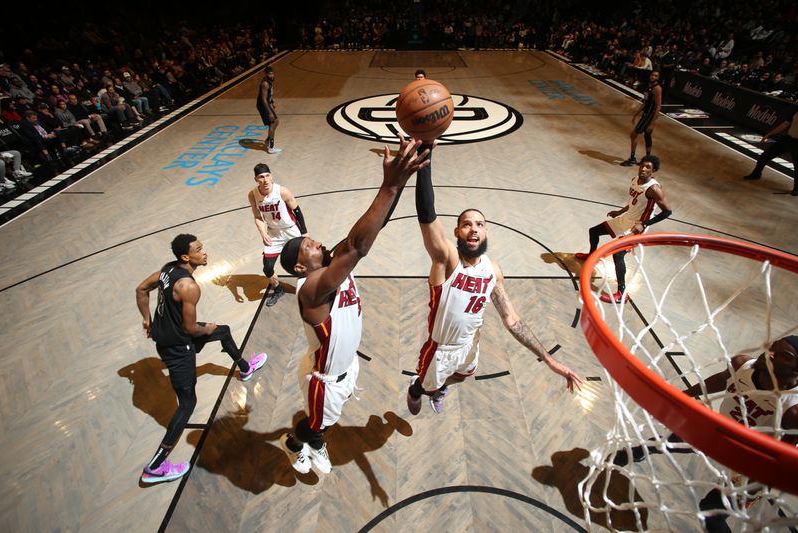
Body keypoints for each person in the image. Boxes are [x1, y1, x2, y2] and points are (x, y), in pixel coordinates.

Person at [276, 135, 429, 475]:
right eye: (308, 247)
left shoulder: (330, 264)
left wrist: (400, 179)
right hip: (324, 379)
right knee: (315, 424)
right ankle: (294, 443)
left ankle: (316, 440)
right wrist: (388, 185)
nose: (316, 243)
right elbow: (358, 247)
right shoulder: (312, 288)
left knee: (327, 421)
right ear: (301, 267)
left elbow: (374, 228)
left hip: (345, 368)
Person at [405, 145, 583, 416]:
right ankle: (417, 389)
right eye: (466, 224)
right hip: (439, 349)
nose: (473, 228)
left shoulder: (493, 270)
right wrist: (425, 160)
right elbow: (427, 215)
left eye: (479, 224)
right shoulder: (447, 261)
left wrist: (549, 360)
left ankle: (440, 388)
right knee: (426, 385)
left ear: (486, 231)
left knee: (463, 376)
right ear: (457, 232)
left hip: (470, 344)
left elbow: (513, 320)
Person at [611, 336, 798, 533]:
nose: (770, 353)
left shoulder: (793, 410)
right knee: (670, 439)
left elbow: (783, 456)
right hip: (719, 432)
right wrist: (685, 394)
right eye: (772, 347)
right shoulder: (742, 364)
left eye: (784, 356)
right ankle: (635, 452)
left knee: (711, 515)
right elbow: (719, 380)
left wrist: (758, 484)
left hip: (751, 463)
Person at [135, 234, 268, 484]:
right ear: (186, 257)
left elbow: (141, 289)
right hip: (178, 346)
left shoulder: (167, 270)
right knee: (187, 404)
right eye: (199, 249)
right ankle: (155, 465)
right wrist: (206, 329)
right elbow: (190, 328)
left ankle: (245, 368)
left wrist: (147, 319)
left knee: (224, 331)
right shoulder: (188, 286)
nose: (204, 252)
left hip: (167, 337)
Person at [574, 155, 672, 303]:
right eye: (642, 166)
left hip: (637, 227)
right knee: (594, 231)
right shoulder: (634, 179)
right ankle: (591, 256)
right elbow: (633, 203)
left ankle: (622, 293)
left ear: (653, 171)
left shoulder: (654, 189)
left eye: (648, 168)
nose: (643, 169)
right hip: (625, 219)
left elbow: (667, 212)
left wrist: (644, 224)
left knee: (618, 255)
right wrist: (619, 212)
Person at [247, 163, 308, 307]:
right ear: (256, 179)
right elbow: (257, 216)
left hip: (291, 230)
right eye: (261, 177)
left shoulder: (282, 191)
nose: (265, 180)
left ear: (271, 176)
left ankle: (310, 288)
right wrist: (263, 233)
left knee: (303, 262)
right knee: (267, 267)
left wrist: (304, 232)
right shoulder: (252, 195)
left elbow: (297, 210)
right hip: (273, 233)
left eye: (268, 175)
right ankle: (278, 289)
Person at [743, 110, 798, 196]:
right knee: (765, 155)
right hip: (788, 139)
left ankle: (796, 189)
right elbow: (785, 124)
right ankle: (756, 174)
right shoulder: (795, 110)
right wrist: (769, 134)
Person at [620, 71, 662, 167]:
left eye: (655, 76)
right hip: (646, 114)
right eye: (652, 75)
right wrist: (636, 114)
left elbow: (658, 106)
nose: (653, 76)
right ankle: (648, 159)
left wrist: (652, 123)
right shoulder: (648, 86)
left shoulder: (657, 88)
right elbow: (645, 103)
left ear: (658, 78)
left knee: (633, 134)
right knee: (647, 136)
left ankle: (632, 158)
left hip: (650, 116)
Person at [257, 66, 280, 154]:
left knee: (276, 122)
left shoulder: (270, 81)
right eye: (270, 74)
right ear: (266, 74)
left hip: (266, 103)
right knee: (273, 122)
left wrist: (272, 101)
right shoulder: (265, 84)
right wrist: (270, 112)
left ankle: (267, 140)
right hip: (263, 105)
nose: (272, 75)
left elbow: (269, 95)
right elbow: (263, 99)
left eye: (272, 73)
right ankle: (271, 147)